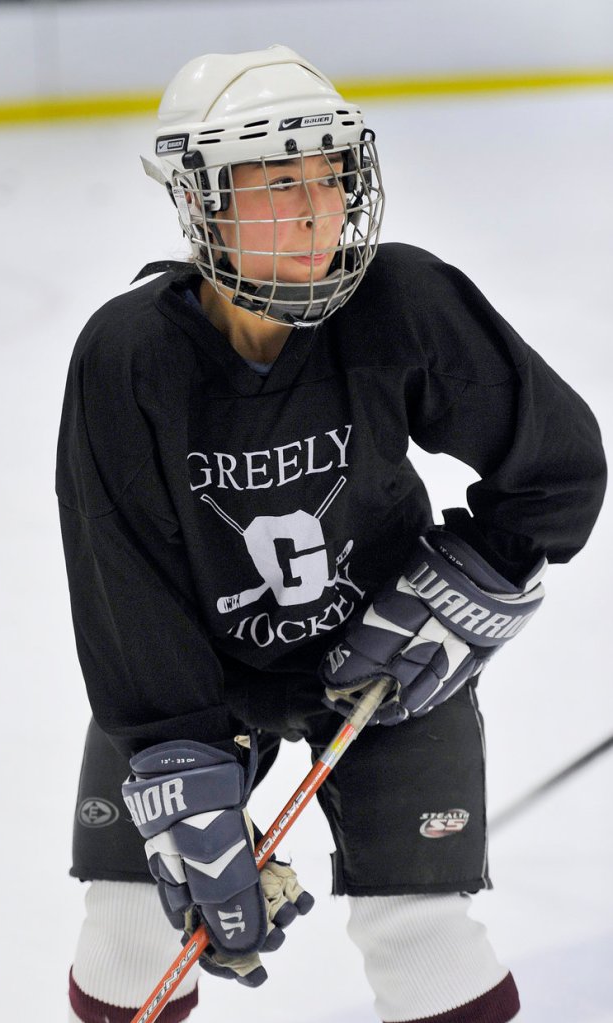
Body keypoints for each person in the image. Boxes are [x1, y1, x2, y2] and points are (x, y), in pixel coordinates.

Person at [57, 45, 606, 1023]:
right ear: (200, 200)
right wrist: (178, 761)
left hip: (387, 662)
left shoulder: (401, 302)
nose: (316, 208)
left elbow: (556, 466)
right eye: (277, 183)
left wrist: (474, 578)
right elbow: (122, 576)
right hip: (200, 677)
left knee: (422, 935)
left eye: (330, 174)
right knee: (127, 934)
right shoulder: (128, 356)